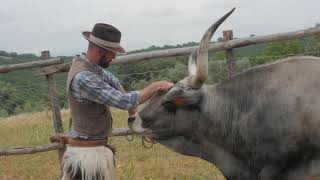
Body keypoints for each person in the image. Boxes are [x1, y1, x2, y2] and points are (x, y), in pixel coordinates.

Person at [61, 23, 174, 180]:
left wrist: (133, 112)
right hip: (86, 157)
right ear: (100, 51)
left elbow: (114, 82)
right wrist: (157, 86)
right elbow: (122, 100)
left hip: (92, 150)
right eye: (112, 53)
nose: (114, 57)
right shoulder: (84, 78)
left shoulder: (91, 67)